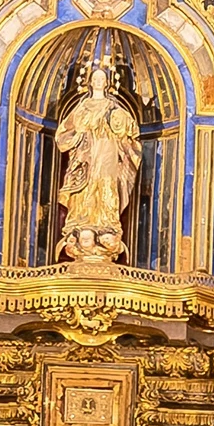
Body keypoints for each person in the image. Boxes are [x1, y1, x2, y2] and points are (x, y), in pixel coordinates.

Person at [54, 49, 145, 265]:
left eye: (101, 79)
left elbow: (129, 135)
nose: (97, 82)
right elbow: (63, 134)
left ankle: (106, 223)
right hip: (86, 155)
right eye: (94, 79)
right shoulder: (81, 107)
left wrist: (120, 128)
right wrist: (81, 135)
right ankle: (82, 223)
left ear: (107, 83)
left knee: (106, 187)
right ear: (89, 82)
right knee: (85, 193)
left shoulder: (115, 108)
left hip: (107, 153)